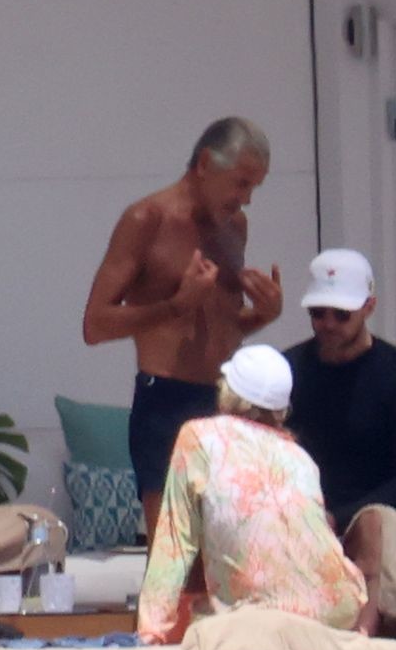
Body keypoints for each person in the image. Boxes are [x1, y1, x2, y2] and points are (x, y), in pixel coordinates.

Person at [82, 117, 285, 538]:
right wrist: (175, 305)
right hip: (166, 399)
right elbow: (95, 325)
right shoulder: (147, 219)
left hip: (225, 399)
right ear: (205, 164)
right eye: (240, 183)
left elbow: (220, 327)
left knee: (227, 550)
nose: (246, 200)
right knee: (173, 553)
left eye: (254, 188)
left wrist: (263, 315)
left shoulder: (234, 227)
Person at [138, 345, 366, 644]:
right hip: (335, 609)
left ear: (228, 392)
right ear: (281, 409)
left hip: (259, 612)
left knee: (203, 617)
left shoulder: (199, 437)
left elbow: (175, 546)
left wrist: (150, 633)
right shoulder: (301, 458)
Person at [283, 248, 396, 636]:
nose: (328, 324)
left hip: (379, 514)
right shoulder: (289, 371)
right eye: (318, 313)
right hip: (303, 510)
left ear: (369, 307)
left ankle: (369, 639)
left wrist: (339, 515)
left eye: (341, 314)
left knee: (373, 524)